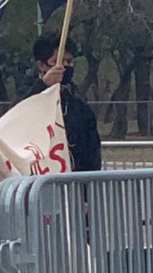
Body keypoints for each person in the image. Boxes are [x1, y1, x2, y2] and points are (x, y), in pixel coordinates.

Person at [25, 33, 101, 171]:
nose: (65, 67)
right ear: (41, 65)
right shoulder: (27, 95)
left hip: (75, 185)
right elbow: (16, 117)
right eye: (58, 62)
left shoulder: (80, 107)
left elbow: (92, 154)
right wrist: (43, 85)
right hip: (38, 183)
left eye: (69, 61)